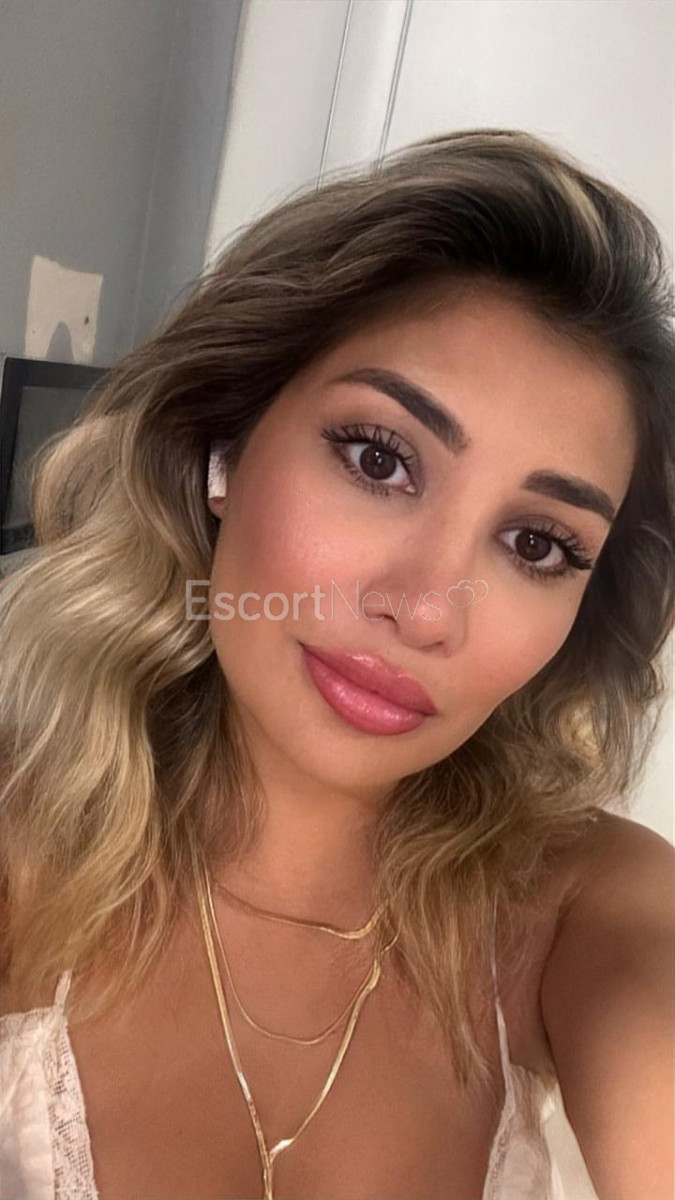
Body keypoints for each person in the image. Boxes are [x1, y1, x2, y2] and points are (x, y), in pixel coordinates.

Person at [0, 127, 673, 1200]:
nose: (425, 609)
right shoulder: (18, 854)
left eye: (537, 544)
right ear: (226, 442)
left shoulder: (589, 911)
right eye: (378, 458)